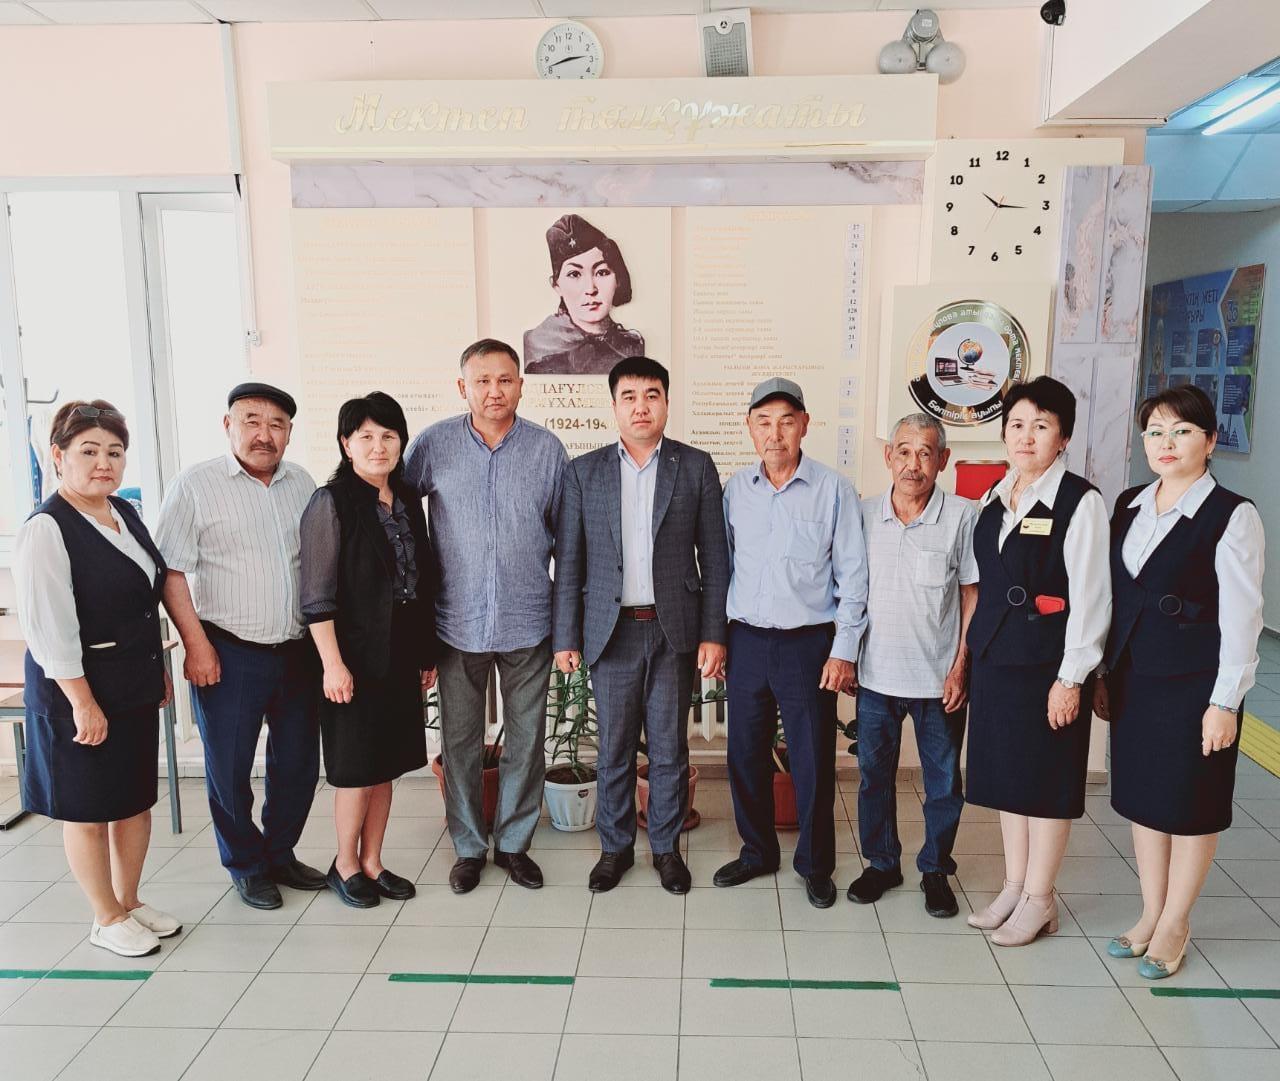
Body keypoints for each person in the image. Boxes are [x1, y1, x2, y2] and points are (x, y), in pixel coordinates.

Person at [1097, 385, 1264, 979]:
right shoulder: (1130, 504)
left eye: (1182, 431)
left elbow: (1243, 618)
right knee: (1146, 800)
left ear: (1210, 441)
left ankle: (1175, 922)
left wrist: (1225, 703)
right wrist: (1102, 671)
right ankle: (1150, 912)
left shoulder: (1232, 514)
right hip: (1136, 677)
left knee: (1191, 804)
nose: (1165, 443)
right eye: (1155, 432)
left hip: (1196, 685)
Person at [553, 356, 729, 894]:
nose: (641, 407)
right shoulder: (584, 472)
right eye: (629, 396)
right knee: (613, 747)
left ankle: (667, 849)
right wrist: (565, 637)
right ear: (614, 406)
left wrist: (713, 633)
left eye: (652, 395)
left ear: (667, 403)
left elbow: (715, 558)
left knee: (670, 748)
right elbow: (570, 562)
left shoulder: (694, 466)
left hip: (674, 630)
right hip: (612, 632)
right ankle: (615, 849)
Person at [14, 400, 180, 957]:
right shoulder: (47, 529)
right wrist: (82, 703)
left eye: (114, 452)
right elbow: (51, 630)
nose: (104, 463)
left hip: (131, 682)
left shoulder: (123, 512)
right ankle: (105, 917)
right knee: (87, 808)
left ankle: (128, 901)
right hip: (76, 690)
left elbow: (142, 600)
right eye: (88, 451)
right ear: (58, 456)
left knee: (133, 799)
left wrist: (156, 669)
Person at [405, 340, 568, 895]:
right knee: (460, 742)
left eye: (504, 380)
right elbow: (399, 515)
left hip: (529, 620)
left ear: (521, 385)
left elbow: (568, 541)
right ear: (463, 387)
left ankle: (515, 844)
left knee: (527, 739)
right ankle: (469, 847)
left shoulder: (547, 450)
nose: (494, 391)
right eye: (482, 381)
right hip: (456, 623)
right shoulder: (433, 445)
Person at [156, 383, 326, 910]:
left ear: (289, 433)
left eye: (276, 424)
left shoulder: (302, 483)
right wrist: (196, 645)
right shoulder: (195, 485)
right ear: (228, 425)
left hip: (297, 650)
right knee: (229, 770)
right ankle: (246, 865)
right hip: (228, 652)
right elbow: (170, 572)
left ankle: (280, 853)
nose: (263, 434)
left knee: (297, 764)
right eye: (252, 421)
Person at [964, 376, 1111, 946]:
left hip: (1049, 667)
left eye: (1041, 426)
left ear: (1063, 437)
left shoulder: (1080, 501)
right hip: (999, 659)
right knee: (1010, 779)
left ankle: (1041, 898)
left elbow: (1092, 598)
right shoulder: (997, 493)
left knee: (1046, 782)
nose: (1026, 436)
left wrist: (1071, 678)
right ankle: (1015, 885)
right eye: (1017, 425)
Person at [714, 378, 869, 910]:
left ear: (804, 425)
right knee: (744, 753)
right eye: (764, 422)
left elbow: (853, 576)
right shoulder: (736, 490)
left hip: (808, 645)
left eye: (786, 421)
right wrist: (719, 638)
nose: (774, 433)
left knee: (812, 759)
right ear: (750, 428)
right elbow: (723, 568)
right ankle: (757, 851)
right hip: (746, 640)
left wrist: (843, 649)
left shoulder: (833, 490)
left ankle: (816, 864)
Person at [301, 392, 439, 908]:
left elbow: (419, 583)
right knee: (356, 768)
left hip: (399, 653)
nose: (378, 446)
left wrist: (425, 654)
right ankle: (344, 864)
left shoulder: (406, 500)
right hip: (352, 657)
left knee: (387, 766)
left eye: (388, 436)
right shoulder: (331, 502)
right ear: (346, 444)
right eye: (366, 437)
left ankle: (373, 861)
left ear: (401, 442)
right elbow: (316, 597)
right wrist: (332, 664)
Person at [846, 413, 978, 918]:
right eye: (903, 451)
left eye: (925, 453)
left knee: (943, 782)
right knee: (874, 777)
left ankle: (935, 869)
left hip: (938, 680)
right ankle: (882, 863)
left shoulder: (961, 516)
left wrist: (960, 666)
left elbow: (971, 595)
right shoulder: (862, 514)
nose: (913, 464)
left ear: (943, 459)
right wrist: (848, 655)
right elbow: (848, 591)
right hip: (875, 677)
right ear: (888, 456)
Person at [523, 213, 645, 376]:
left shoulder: (633, 345)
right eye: (574, 274)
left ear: (617, 279)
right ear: (556, 285)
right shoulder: (536, 347)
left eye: (602, 272)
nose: (590, 289)